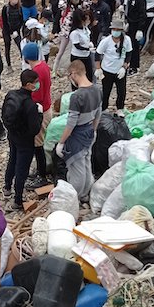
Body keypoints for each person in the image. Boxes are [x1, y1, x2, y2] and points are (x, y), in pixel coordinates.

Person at [56, 61, 102, 202]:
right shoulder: (97, 89)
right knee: (87, 163)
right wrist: (93, 130)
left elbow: (71, 123)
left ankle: (72, 198)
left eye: (70, 75)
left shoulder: (77, 96)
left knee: (77, 169)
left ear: (74, 73)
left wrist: (61, 142)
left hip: (77, 134)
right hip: (89, 130)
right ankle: (86, 193)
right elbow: (98, 113)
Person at [1, 69, 42, 211]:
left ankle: (7, 187)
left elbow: (4, 115)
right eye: (36, 83)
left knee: (12, 160)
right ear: (29, 85)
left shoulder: (11, 95)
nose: (38, 85)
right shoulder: (30, 105)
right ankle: (17, 199)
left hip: (12, 135)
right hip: (25, 141)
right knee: (22, 169)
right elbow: (35, 129)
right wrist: (40, 114)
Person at [23, 42, 53, 188]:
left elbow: (37, 95)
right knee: (39, 142)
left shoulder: (37, 72)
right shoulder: (44, 66)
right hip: (47, 107)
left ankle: (42, 176)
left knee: (38, 144)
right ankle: (40, 171)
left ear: (26, 57)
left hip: (42, 111)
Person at [96, 18, 133, 116]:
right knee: (106, 90)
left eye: (118, 30)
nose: (116, 32)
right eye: (114, 30)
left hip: (120, 70)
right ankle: (104, 108)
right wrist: (98, 68)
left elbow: (129, 53)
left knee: (121, 91)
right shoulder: (106, 41)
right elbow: (98, 54)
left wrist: (124, 67)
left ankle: (120, 108)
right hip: (107, 70)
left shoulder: (127, 40)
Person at [55, 0, 92, 71]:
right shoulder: (66, 7)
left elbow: (89, 1)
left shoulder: (81, 6)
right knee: (61, 51)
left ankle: (72, 68)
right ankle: (55, 69)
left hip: (77, 31)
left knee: (74, 50)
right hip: (66, 31)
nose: (76, 1)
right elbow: (60, 5)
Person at [123, 0, 147, 75]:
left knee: (134, 46)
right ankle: (129, 64)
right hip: (130, 23)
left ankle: (134, 66)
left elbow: (142, 14)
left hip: (136, 25)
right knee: (129, 45)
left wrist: (140, 29)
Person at [0, 0, 25, 71]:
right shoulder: (5, 8)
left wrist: (17, 30)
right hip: (7, 30)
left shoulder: (20, 8)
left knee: (21, 46)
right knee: (7, 47)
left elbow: (21, 20)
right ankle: (9, 66)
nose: (15, 0)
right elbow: (4, 21)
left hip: (16, 30)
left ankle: (24, 63)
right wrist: (10, 32)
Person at [69, 9, 95, 83]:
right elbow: (77, 46)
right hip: (78, 56)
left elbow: (89, 36)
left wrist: (90, 43)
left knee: (89, 74)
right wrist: (88, 49)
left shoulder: (85, 29)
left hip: (86, 56)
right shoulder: (75, 33)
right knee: (77, 76)